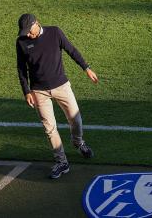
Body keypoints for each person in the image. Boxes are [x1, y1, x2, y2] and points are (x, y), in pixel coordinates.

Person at [16, 13, 98, 179]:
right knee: (49, 128)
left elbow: (71, 50)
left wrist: (86, 68)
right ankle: (61, 162)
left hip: (61, 86)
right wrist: (26, 91)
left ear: (36, 23)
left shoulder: (55, 32)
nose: (28, 34)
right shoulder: (21, 42)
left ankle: (78, 142)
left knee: (75, 119)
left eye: (29, 30)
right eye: (25, 32)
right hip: (39, 91)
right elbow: (21, 68)